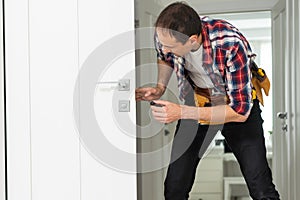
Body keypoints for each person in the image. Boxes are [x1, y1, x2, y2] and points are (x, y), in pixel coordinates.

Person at [135, 2, 280, 200]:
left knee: (261, 187)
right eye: (162, 44)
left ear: (192, 40)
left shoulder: (230, 43)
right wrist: (160, 87)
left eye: (171, 47)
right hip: (198, 100)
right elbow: (164, 56)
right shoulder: (166, 35)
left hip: (235, 105)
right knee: (175, 186)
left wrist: (181, 112)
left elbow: (240, 111)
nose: (165, 49)